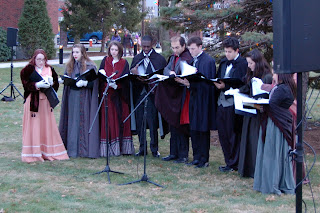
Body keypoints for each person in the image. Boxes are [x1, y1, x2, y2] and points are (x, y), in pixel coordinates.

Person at [20, 49, 69, 163]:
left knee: (46, 125)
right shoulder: (28, 70)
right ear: (34, 59)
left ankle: (48, 151)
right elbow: (25, 84)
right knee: (34, 126)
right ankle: (33, 152)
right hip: (33, 102)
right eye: (38, 59)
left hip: (46, 101)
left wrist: (52, 83)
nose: (40, 62)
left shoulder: (50, 69)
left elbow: (56, 84)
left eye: (43, 59)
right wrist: (37, 84)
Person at [176, 36, 217, 168]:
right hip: (193, 96)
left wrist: (191, 83)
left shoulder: (208, 61)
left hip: (203, 100)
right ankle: (196, 156)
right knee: (193, 128)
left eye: (193, 49)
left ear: (200, 47)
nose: (191, 51)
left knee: (202, 128)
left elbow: (208, 82)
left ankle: (204, 158)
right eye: (190, 49)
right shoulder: (193, 61)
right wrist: (186, 83)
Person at [253, 73, 296, 195]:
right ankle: (270, 181)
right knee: (274, 152)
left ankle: (273, 183)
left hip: (277, 125)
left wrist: (258, 105)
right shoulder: (282, 87)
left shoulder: (283, 89)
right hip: (275, 122)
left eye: (275, 73)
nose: (273, 75)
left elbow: (272, 106)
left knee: (273, 153)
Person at [59, 44, 100, 158]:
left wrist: (86, 83)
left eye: (77, 52)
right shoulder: (70, 66)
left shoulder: (90, 66)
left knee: (84, 119)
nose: (75, 55)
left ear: (82, 53)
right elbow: (67, 77)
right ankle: (72, 149)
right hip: (72, 96)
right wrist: (63, 80)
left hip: (85, 96)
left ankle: (84, 149)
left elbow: (95, 83)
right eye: (73, 52)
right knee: (73, 121)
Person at [237, 49, 273, 178]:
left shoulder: (267, 76)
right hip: (251, 111)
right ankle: (249, 169)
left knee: (256, 140)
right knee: (249, 139)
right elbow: (247, 89)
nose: (249, 66)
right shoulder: (252, 75)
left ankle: (257, 170)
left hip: (261, 114)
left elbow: (267, 95)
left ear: (257, 63)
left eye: (251, 63)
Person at [156, 36, 192, 163]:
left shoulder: (187, 58)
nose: (175, 50)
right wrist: (169, 73)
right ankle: (173, 152)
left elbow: (185, 72)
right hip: (172, 94)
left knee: (181, 124)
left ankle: (183, 154)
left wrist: (175, 73)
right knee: (173, 124)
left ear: (183, 46)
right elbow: (167, 69)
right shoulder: (173, 57)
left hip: (182, 94)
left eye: (177, 47)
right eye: (173, 47)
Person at [214, 37, 248, 172]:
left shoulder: (242, 64)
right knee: (223, 133)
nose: (227, 54)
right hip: (221, 102)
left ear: (237, 51)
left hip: (233, 102)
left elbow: (242, 82)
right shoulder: (223, 63)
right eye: (226, 51)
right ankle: (228, 161)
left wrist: (226, 86)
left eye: (229, 52)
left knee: (233, 133)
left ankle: (235, 162)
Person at [130, 35, 167, 157]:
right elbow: (130, 78)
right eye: (143, 46)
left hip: (153, 94)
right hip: (140, 93)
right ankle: (142, 148)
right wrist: (134, 73)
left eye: (148, 46)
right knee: (140, 121)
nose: (145, 49)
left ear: (153, 44)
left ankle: (154, 149)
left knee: (152, 122)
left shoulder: (159, 59)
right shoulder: (137, 58)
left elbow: (163, 77)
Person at [98, 41, 135, 156]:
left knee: (120, 119)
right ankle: (107, 149)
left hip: (119, 97)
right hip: (107, 95)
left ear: (119, 51)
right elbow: (100, 76)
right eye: (111, 49)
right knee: (108, 121)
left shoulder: (124, 63)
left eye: (115, 50)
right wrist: (105, 81)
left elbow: (126, 80)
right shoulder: (105, 60)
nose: (113, 52)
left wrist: (117, 86)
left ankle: (122, 148)